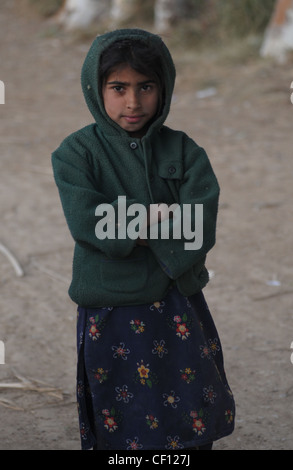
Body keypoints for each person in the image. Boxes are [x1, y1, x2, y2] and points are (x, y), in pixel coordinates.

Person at [52, 28, 235, 451]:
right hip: (111, 308)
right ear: (96, 90)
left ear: (164, 87)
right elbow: (89, 223)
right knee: (123, 412)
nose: (133, 102)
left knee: (189, 403)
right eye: (118, 88)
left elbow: (197, 225)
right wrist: (156, 221)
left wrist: (131, 226)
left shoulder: (185, 151)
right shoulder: (76, 153)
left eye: (146, 87)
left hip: (178, 301)